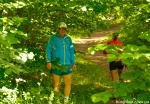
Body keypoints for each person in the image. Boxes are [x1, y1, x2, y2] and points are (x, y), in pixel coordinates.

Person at [46, 22, 76, 103]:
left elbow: (71, 51)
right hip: (56, 65)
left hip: (67, 65)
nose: (62, 30)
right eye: (60, 28)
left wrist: (73, 62)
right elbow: (48, 50)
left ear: (66, 30)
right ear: (58, 29)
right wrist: (48, 61)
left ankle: (66, 100)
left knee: (68, 82)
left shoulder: (68, 38)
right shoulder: (53, 38)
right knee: (56, 83)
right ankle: (57, 100)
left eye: (64, 29)